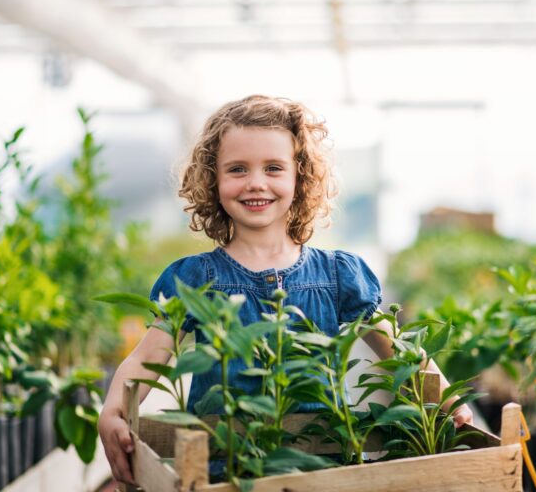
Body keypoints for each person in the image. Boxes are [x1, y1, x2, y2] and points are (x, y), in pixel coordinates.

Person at [97, 95, 474, 485]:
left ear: (300, 176)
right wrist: (112, 411)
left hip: (320, 470)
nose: (255, 183)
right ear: (214, 179)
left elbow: (399, 353)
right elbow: (147, 357)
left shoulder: (338, 275)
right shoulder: (195, 278)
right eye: (237, 169)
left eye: (273, 168)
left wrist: (448, 398)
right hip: (225, 473)